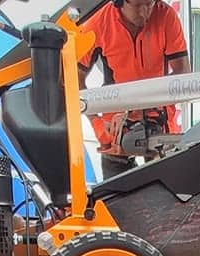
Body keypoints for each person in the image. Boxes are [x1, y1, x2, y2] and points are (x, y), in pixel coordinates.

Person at [79, 0, 188, 179]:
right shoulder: (98, 22)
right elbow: (74, 79)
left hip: (161, 124)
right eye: (137, 6)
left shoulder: (166, 15)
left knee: (167, 190)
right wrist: (96, 122)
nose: (145, 12)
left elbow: (182, 73)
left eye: (149, 4)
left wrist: (153, 102)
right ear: (119, 2)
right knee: (117, 193)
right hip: (115, 130)